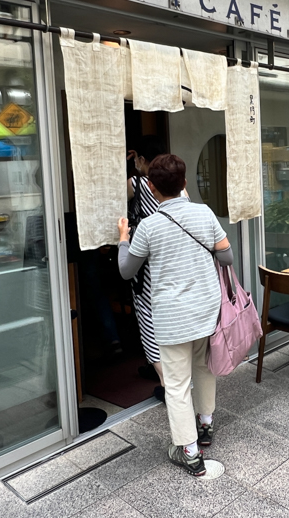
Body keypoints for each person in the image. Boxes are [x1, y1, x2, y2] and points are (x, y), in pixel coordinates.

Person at [118, 154, 233, 477]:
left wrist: (123, 239)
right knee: (203, 368)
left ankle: (190, 452)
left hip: (172, 318)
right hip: (206, 310)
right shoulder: (203, 213)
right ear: (184, 184)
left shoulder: (149, 226)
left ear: (152, 188)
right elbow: (227, 257)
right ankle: (206, 426)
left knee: (178, 385)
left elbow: (127, 271)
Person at [126, 136, 169, 400]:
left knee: (148, 322)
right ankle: (171, 375)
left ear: (141, 159)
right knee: (168, 321)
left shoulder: (138, 183)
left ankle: (165, 383)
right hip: (170, 263)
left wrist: (127, 165)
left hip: (146, 265)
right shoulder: (174, 186)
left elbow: (106, 194)